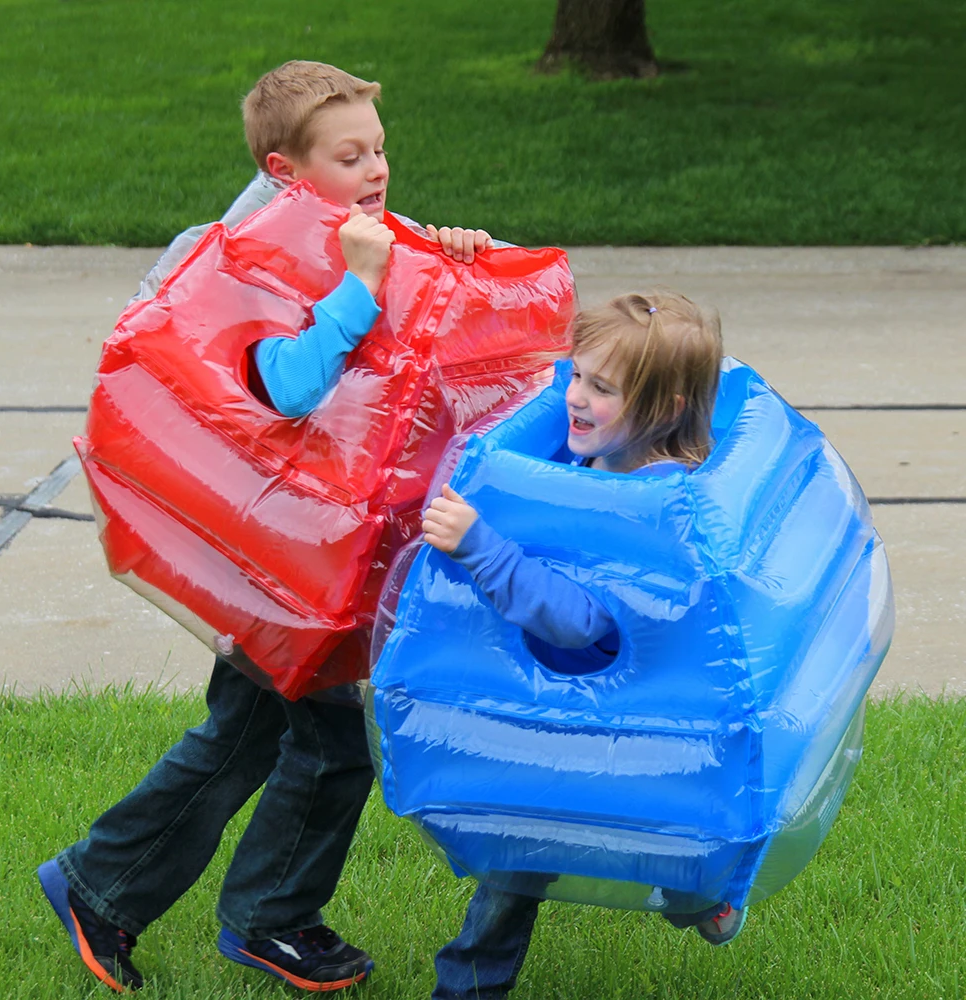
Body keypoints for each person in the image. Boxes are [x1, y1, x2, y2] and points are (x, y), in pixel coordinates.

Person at [38, 59, 493, 994]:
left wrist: (442, 251)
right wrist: (364, 282)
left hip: (286, 551)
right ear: (289, 171)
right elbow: (283, 387)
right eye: (350, 154)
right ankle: (262, 918)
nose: (376, 168)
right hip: (265, 556)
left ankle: (108, 886)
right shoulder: (252, 250)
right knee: (328, 752)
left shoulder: (334, 232)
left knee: (247, 737)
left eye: (381, 149)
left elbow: (412, 328)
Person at [420, 290, 746, 1000]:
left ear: (664, 410)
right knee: (513, 861)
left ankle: (705, 896)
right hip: (549, 715)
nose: (575, 398)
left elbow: (583, 621)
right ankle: (467, 990)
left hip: (630, 723)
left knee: (667, 851)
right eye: (575, 376)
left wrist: (484, 548)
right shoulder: (590, 462)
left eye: (602, 388)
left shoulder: (657, 504)